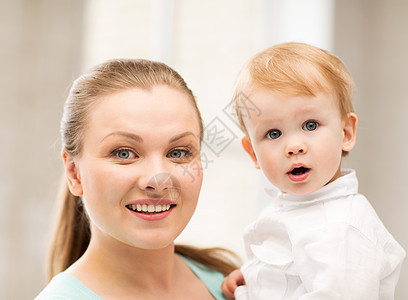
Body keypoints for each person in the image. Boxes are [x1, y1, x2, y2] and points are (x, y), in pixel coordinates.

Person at [35, 59, 239, 300]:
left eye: (178, 153)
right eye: (124, 153)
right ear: (74, 173)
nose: (158, 179)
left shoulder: (230, 282)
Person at [221, 42, 406, 299]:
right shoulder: (289, 207)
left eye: (310, 124)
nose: (294, 146)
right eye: (273, 133)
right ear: (253, 152)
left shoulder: (341, 228)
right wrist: (251, 279)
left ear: (346, 133)